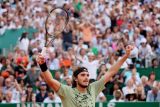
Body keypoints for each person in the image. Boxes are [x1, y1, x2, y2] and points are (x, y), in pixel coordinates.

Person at [36, 45, 133, 107]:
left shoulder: (93, 88)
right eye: (82, 75)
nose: (86, 77)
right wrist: (42, 64)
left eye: (87, 75)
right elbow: (50, 80)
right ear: (75, 79)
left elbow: (111, 72)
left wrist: (125, 56)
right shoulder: (67, 91)